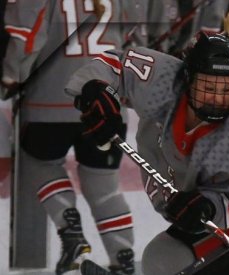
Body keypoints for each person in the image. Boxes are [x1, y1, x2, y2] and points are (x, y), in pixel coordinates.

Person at [66, 7, 229, 275]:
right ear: (187, 78)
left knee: (162, 258)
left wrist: (208, 206)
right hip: (191, 198)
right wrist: (96, 89)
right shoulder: (164, 79)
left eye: (225, 90)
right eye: (208, 87)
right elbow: (114, 65)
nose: (216, 98)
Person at [1, 1, 141, 274]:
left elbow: (27, 36)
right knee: (104, 184)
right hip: (107, 104)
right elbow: (133, 36)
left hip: (50, 99)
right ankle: (122, 257)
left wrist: (11, 76)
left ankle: (71, 232)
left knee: (38, 164)